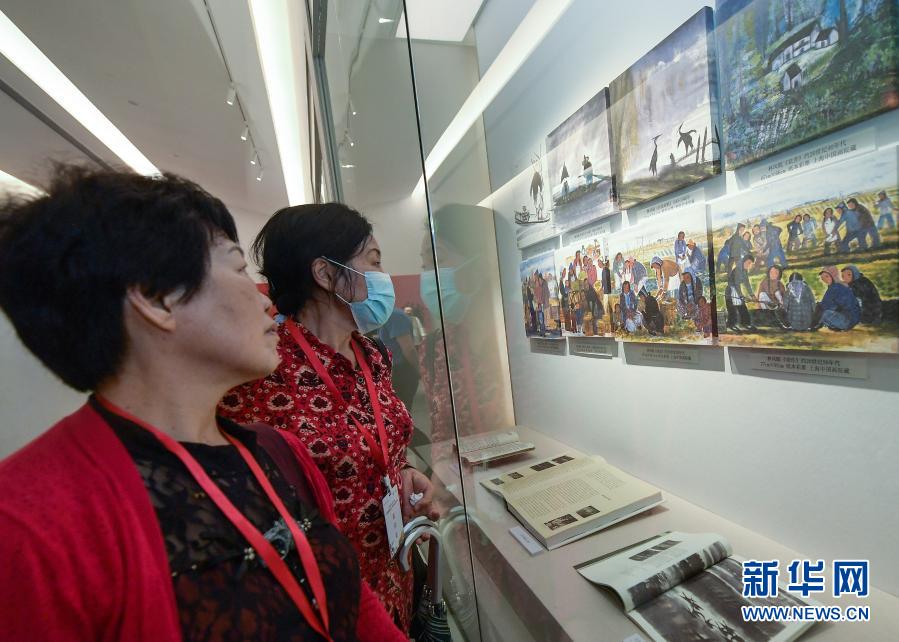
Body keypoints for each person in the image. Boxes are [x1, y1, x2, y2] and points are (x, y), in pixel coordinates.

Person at [0, 167, 405, 642]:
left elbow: (347, 597)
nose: (265, 302)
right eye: (237, 268)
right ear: (156, 299)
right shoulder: (30, 527)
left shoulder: (277, 453)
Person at [218, 203, 436, 632]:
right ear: (325, 273)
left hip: (396, 574)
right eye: (373, 261)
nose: (383, 276)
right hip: (330, 602)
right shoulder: (262, 372)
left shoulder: (372, 354)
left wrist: (404, 471)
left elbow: (378, 441)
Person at [379, 308, 420, 410]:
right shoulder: (396, 316)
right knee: (403, 410)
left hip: (396, 369)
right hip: (401, 370)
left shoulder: (389, 315)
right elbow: (408, 349)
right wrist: (419, 369)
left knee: (398, 410)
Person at [815, 267, 860, 331]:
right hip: (852, 319)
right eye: (822, 278)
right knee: (823, 310)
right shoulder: (840, 285)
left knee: (825, 313)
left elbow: (826, 305)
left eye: (827, 276)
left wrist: (818, 306)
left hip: (848, 320)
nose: (825, 280)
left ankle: (815, 326)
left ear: (833, 276)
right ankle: (836, 327)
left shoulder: (835, 287)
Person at [726, 254, 756, 332]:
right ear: (744, 261)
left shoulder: (744, 271)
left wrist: (752, 295)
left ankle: (745, 323)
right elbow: (736, 285)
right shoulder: (737, 270)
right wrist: (741, 296)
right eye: (748, 263)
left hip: (737, 291)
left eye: (750, 264)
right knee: (733, 309)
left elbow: (747, 283)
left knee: (742, 307)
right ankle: (731, 325)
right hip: (731, 291)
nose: (749, 265)